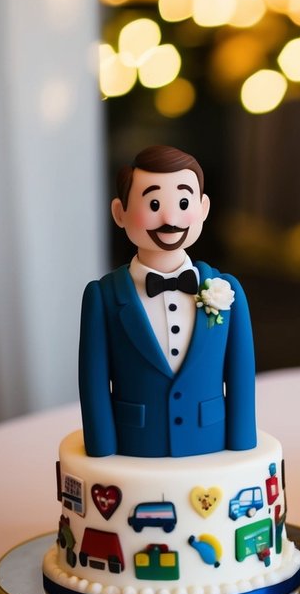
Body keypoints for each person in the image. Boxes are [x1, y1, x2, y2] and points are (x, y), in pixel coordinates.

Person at [78, 145, 256, 457]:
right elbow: (92, 382)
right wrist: (101, 450)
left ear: (203, 207)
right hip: (135, 445)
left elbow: (241, 376)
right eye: (154, 203)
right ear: (120, 213)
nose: (170, 218)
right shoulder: (103, 297)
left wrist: (242, 443)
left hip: (210, 444)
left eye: (184, 202)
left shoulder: (227, 290)